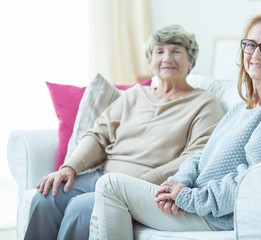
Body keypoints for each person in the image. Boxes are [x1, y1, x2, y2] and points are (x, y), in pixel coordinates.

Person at [88, 11, 261, 240]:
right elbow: (199, 157)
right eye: (250, 45)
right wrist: (178, 182)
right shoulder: (241, 108)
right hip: (191, 199)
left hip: (214, 215)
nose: (256, 54)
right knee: (108, 188)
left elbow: (254, 178)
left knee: (109, 186)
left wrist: (191, 198)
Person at [24, 25, 225, 240]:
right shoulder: (134, 95)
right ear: (150, 62)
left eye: (176, 51)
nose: (167, 58)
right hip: (102, 175)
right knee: (45, 197)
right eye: (159, 51)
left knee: (81, 209)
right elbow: (99, 135)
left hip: (143, 186)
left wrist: (137, 183)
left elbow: (196, 155)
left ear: (191, 61)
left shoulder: (205, 103)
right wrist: (70, 167)